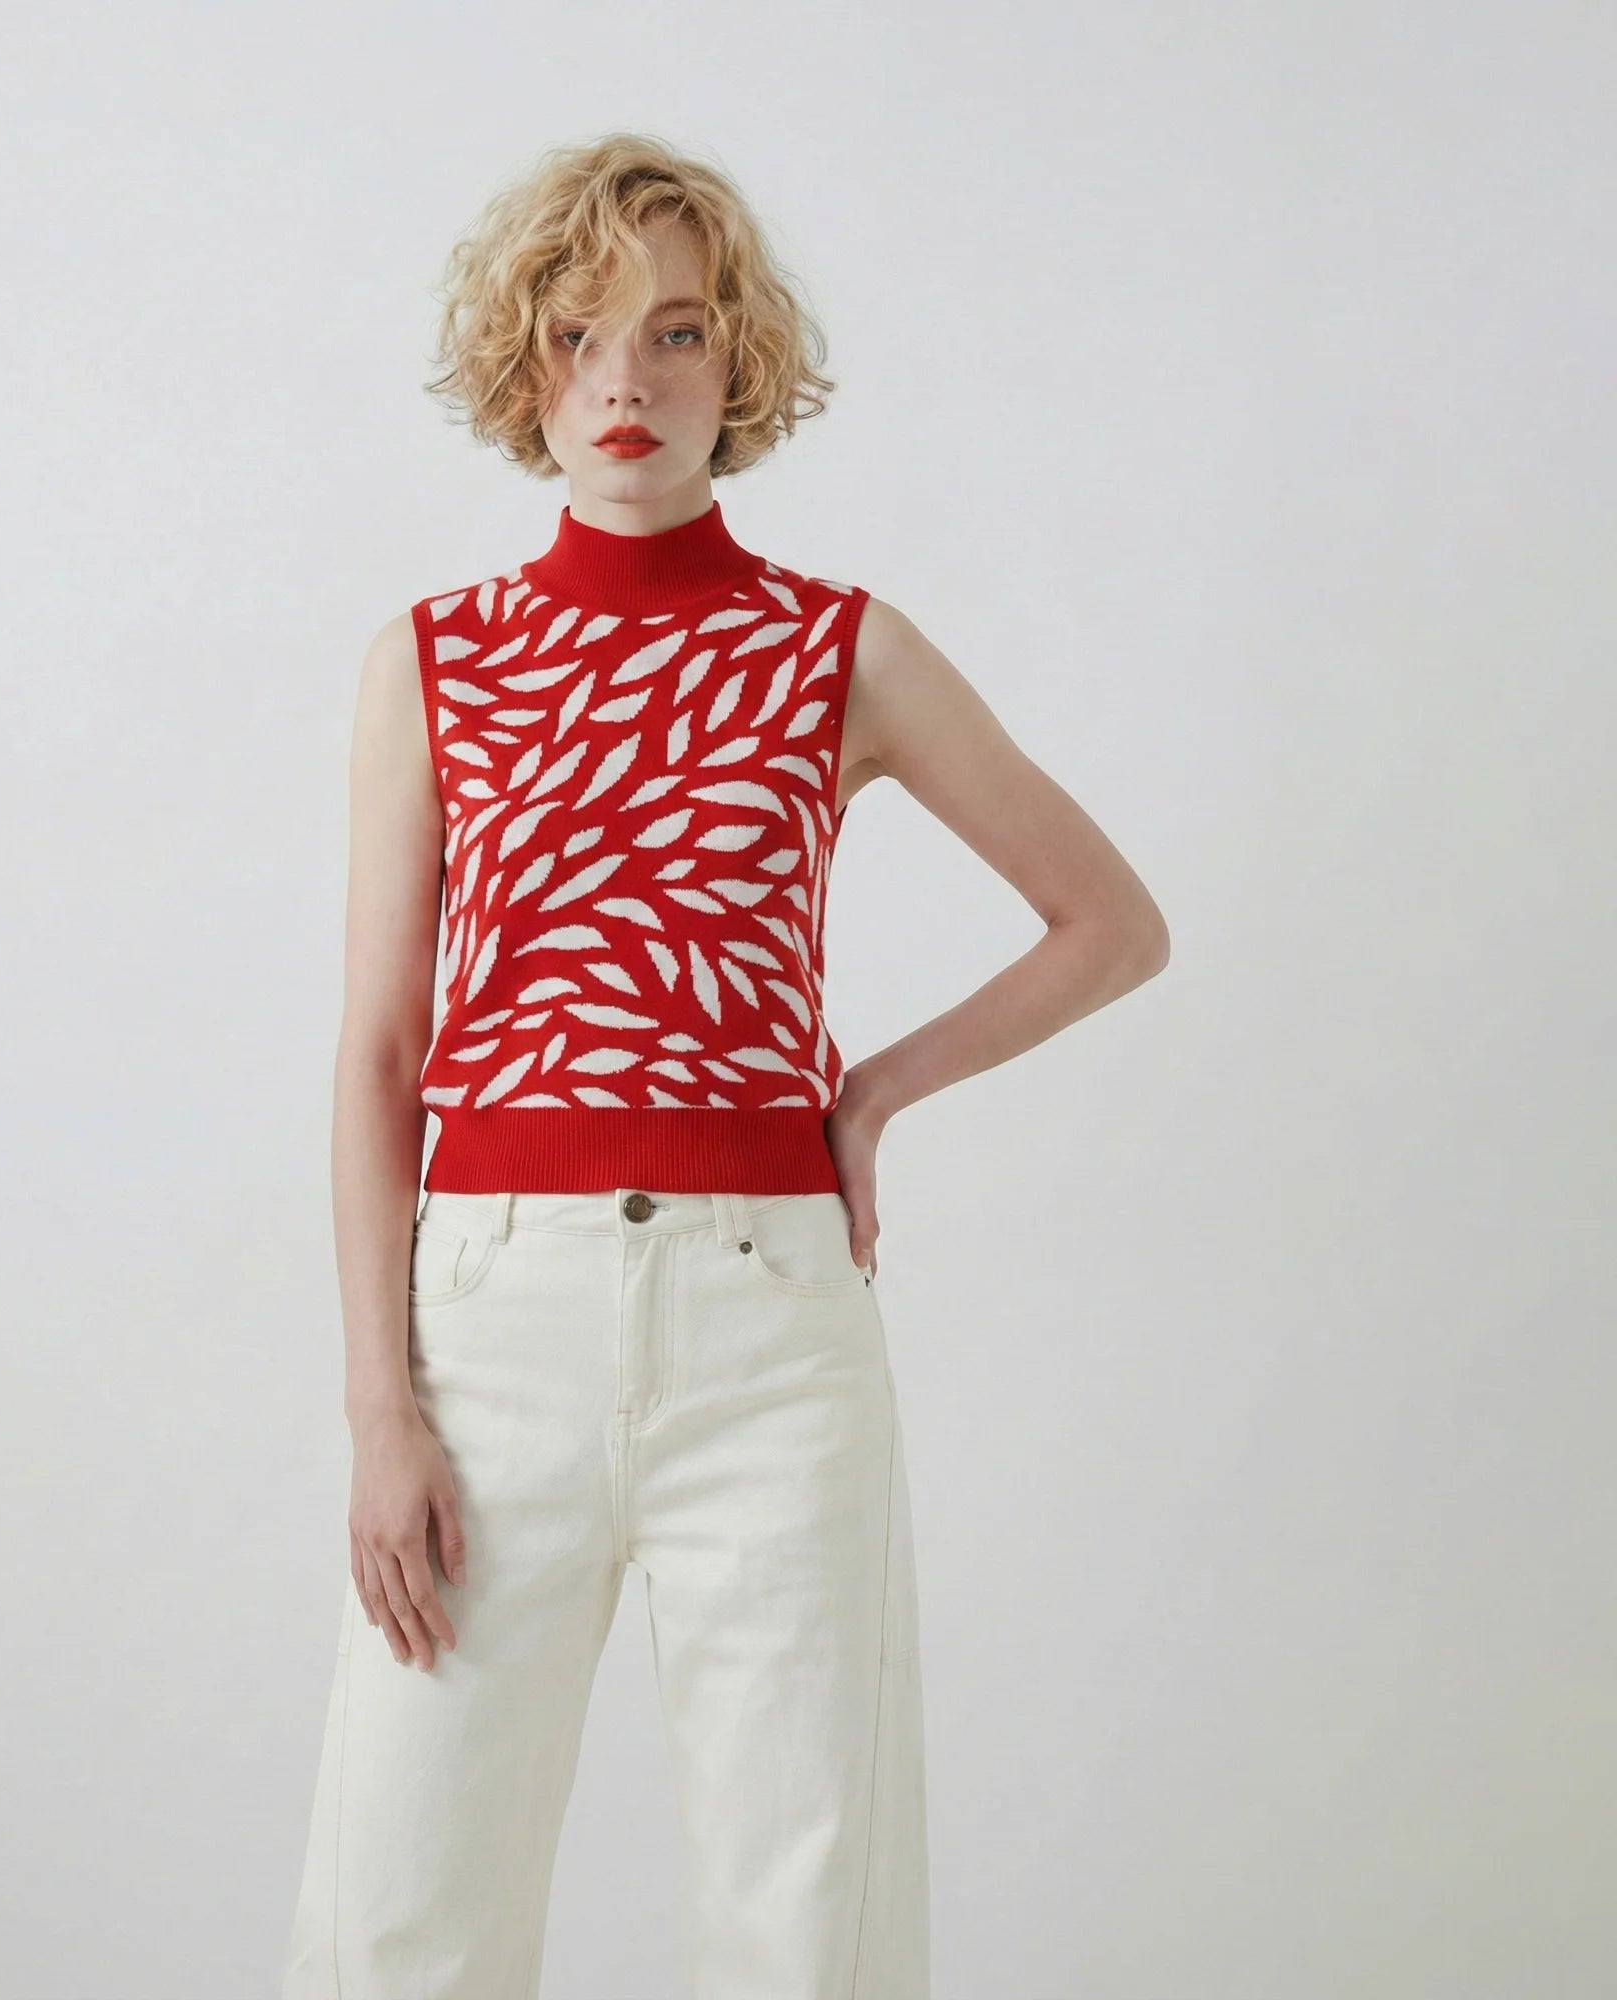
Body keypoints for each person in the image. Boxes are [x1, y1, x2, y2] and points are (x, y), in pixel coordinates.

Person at [283, 132, 1170, 1999]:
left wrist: (873, 1090)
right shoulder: (433, 664)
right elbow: (380, 1056)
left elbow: (1109, 922)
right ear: (524, 368)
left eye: (676, 332)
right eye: (580, 334)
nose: (628, 379)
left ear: (738, 361)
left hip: (771, 1334)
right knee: (401, 1918)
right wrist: (380, 1408)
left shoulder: (839, 652)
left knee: (808, 1922)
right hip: (490, 1334)